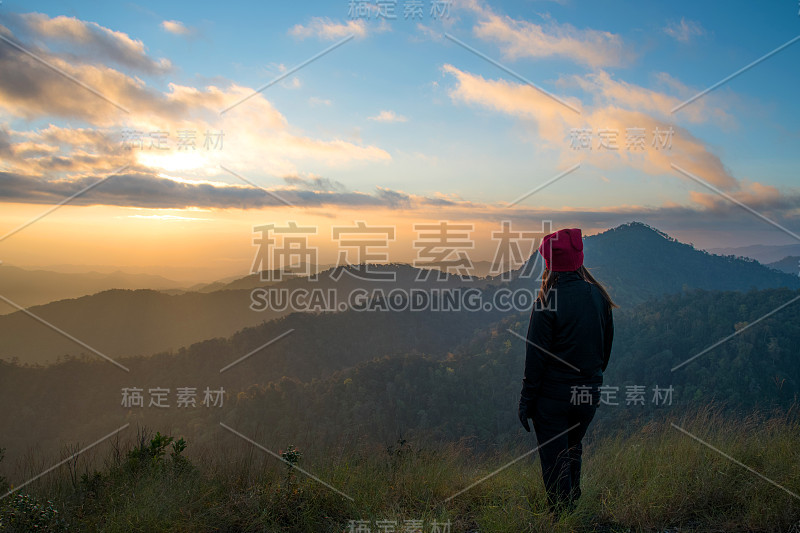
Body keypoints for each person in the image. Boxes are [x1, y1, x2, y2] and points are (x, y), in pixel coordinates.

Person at [517, 227, 617, 517]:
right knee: (573, 449)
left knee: (554, 461)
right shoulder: (599, 296)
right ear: (579, 259)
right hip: (587, 394)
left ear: (549, 264)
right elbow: (605, 349)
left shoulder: (547, 301)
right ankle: (572, 510)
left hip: (553, 399)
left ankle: (561, 517)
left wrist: (526, 402)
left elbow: (535, 361)